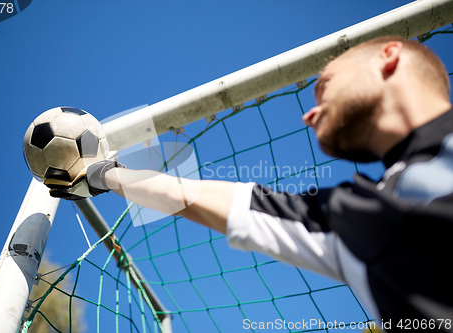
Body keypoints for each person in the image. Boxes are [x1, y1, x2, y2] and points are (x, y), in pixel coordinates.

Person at [45, 36, 453, 331]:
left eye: (323, 85)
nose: (308, 116)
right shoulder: (355, 219)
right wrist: (101, 174)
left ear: (389, 55)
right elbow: (190, 197)